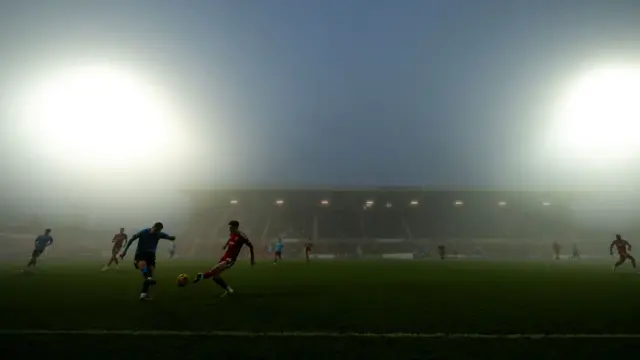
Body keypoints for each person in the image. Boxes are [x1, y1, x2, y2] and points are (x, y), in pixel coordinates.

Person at [193, 220, 255, 296]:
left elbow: (251, 246)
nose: (229, 228)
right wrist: (225, 245)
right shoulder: (232, 233)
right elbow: (230, 239)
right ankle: (228, 289)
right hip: (225, 257)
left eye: (231, 227)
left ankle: (202, 276)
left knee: (214, 270)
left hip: (230, 260)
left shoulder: (242, 236)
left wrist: (252, 259)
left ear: (235, 227)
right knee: (215, 277)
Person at [120, 222, 176, 300]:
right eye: (156, 230)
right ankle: (148, 279)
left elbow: (168, 237)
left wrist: (172, 238)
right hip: (140, 255)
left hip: (151, 257)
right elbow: (131, 240)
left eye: (159, 231)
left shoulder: (159, 234)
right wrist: (124, 252)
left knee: (150, 274)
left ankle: (143, 294)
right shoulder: (143, 232)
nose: (157, 232)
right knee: (144, 267)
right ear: (153, 227)